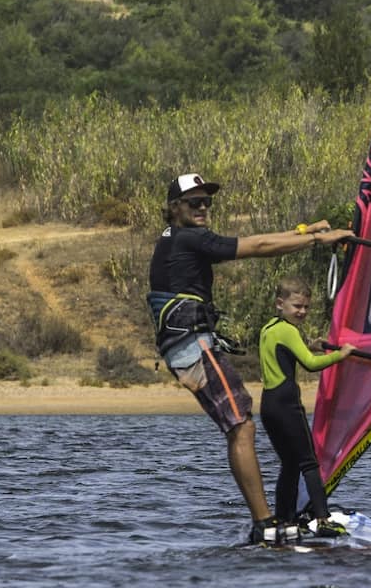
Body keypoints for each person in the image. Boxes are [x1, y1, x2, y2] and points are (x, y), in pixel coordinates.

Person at [147, 171, 353, 544]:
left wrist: (306, 232)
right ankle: (266, 523)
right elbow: (256, 247)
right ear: (174, 208)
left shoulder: (175, 238)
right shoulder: (188, 238)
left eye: (207, 202)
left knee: (240, 423)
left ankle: (268, 520)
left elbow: (258, 241)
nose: (203, 208)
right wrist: (318, 240)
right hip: (193, 344)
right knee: (241, 425)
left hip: (186, 344)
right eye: (195, 202)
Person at [258, 275, 353, 534]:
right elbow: (310, 364)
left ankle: (283, 520)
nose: (302, 311)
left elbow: (288, 351)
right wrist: (340, 355)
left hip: (268, 406)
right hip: (287, 405)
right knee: (309, 463)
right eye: (297, 306)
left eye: (306, 307)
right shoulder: (288, 331)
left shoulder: (269, 328)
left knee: (289, 464)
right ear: (280, 303)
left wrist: (311, 345)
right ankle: (323, 520)